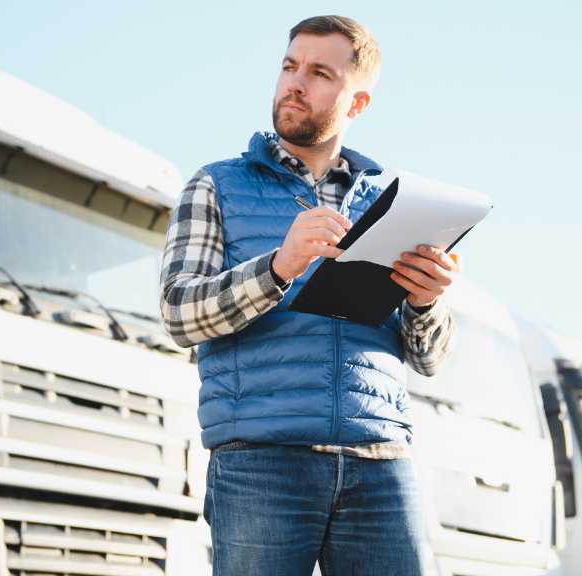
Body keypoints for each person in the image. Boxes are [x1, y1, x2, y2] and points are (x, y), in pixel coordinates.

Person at [159, 15, 459, 576]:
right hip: (261, 463)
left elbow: (431, 359)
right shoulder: (216, 184)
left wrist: (426, 301)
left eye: (319, 72)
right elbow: (178, 314)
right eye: (289, 66)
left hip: (380, 464)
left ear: (358, 102)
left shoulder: (393, 200)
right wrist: (277, 267)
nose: (295, 82)